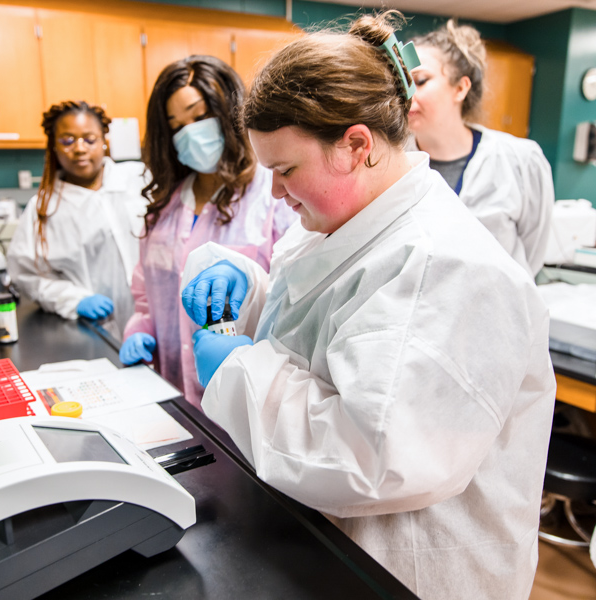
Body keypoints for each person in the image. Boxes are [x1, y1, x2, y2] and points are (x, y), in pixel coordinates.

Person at [180, 13, 556, 600]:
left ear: (355, 145)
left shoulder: (448, 268)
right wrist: (248, 295)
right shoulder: (347, 220)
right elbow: (321, 336)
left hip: (411, 571)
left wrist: (238, 369)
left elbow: (373, 455)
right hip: (328, 539)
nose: (275, 192)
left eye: (285, 170)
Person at [119, 55, 294, 407]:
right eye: (177, 126)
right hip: (172, 390)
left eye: (200, 117)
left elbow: (294, 296)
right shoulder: (167, 205)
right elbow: (147, 291)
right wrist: (140, 328)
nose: (191, 135)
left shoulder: (274, 194)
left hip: (249, 398)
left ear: (231, 111)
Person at [408, 21, 554, 277]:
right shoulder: (391, 163)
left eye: (420, 81)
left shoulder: (520, 160)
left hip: (498, 310)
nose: (408, 95)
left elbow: (533, 253)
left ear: (461, 88)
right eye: (403, 84)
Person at [7, 101, 148, 335]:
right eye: (67, 140)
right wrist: (73, 300)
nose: (80, 148)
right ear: (53, 146)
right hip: (94, 330)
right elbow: (27, 275)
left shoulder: (138, 179)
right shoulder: (43, 207)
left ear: (104, 140)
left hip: (155, 321)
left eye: (89, 139)